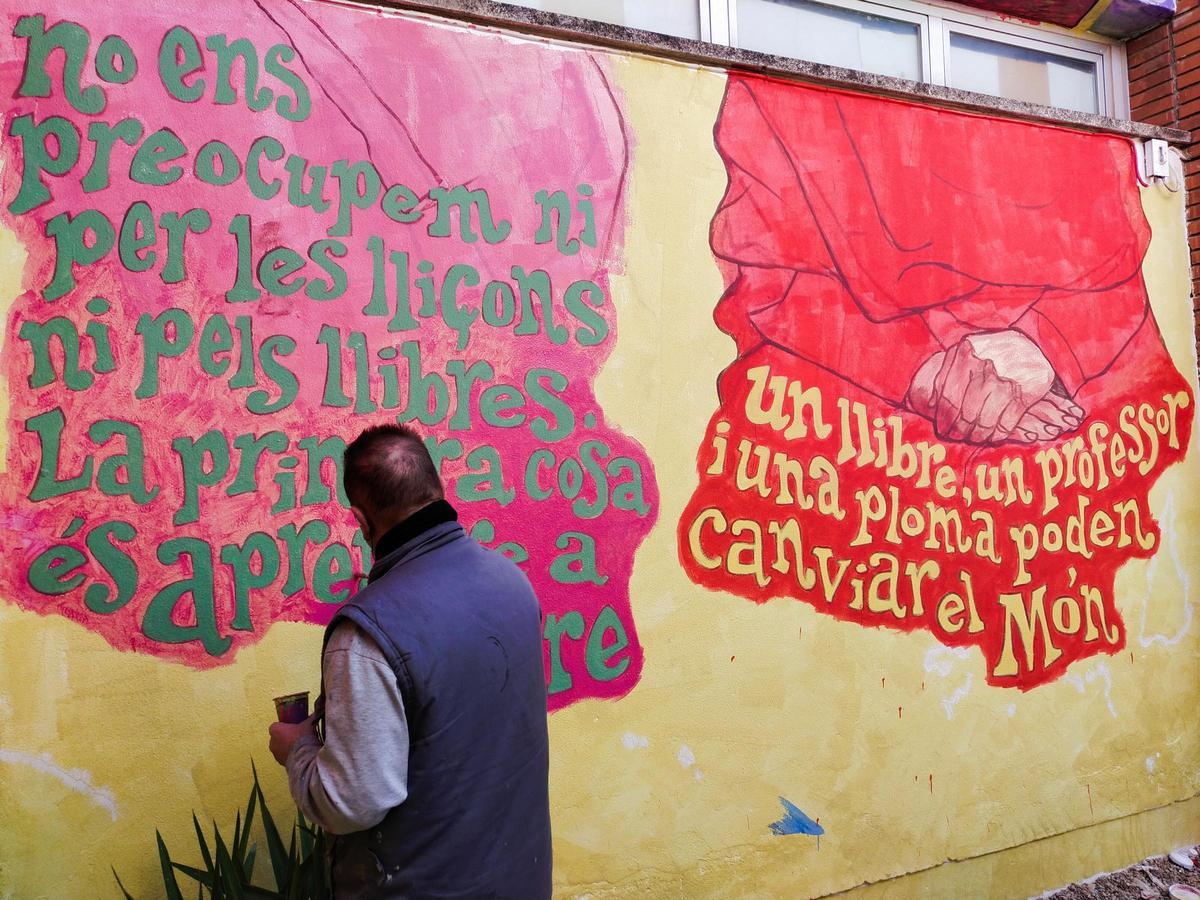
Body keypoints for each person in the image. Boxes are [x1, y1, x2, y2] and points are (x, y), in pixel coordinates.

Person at [710, 74, 1160, 445]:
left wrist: (1042, 348)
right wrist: (922, 369)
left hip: (1062, 427)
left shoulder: (1073, 149)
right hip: (840, 440)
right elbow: (769, 270)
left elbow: (1114, 249)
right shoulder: (781, 106)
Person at [268, 424, 552, 898]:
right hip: (522, 878)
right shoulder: (512, 580)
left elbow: (351, 805)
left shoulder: (364, 635)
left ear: (360, 520)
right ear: (437, 489)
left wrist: (297, 751)